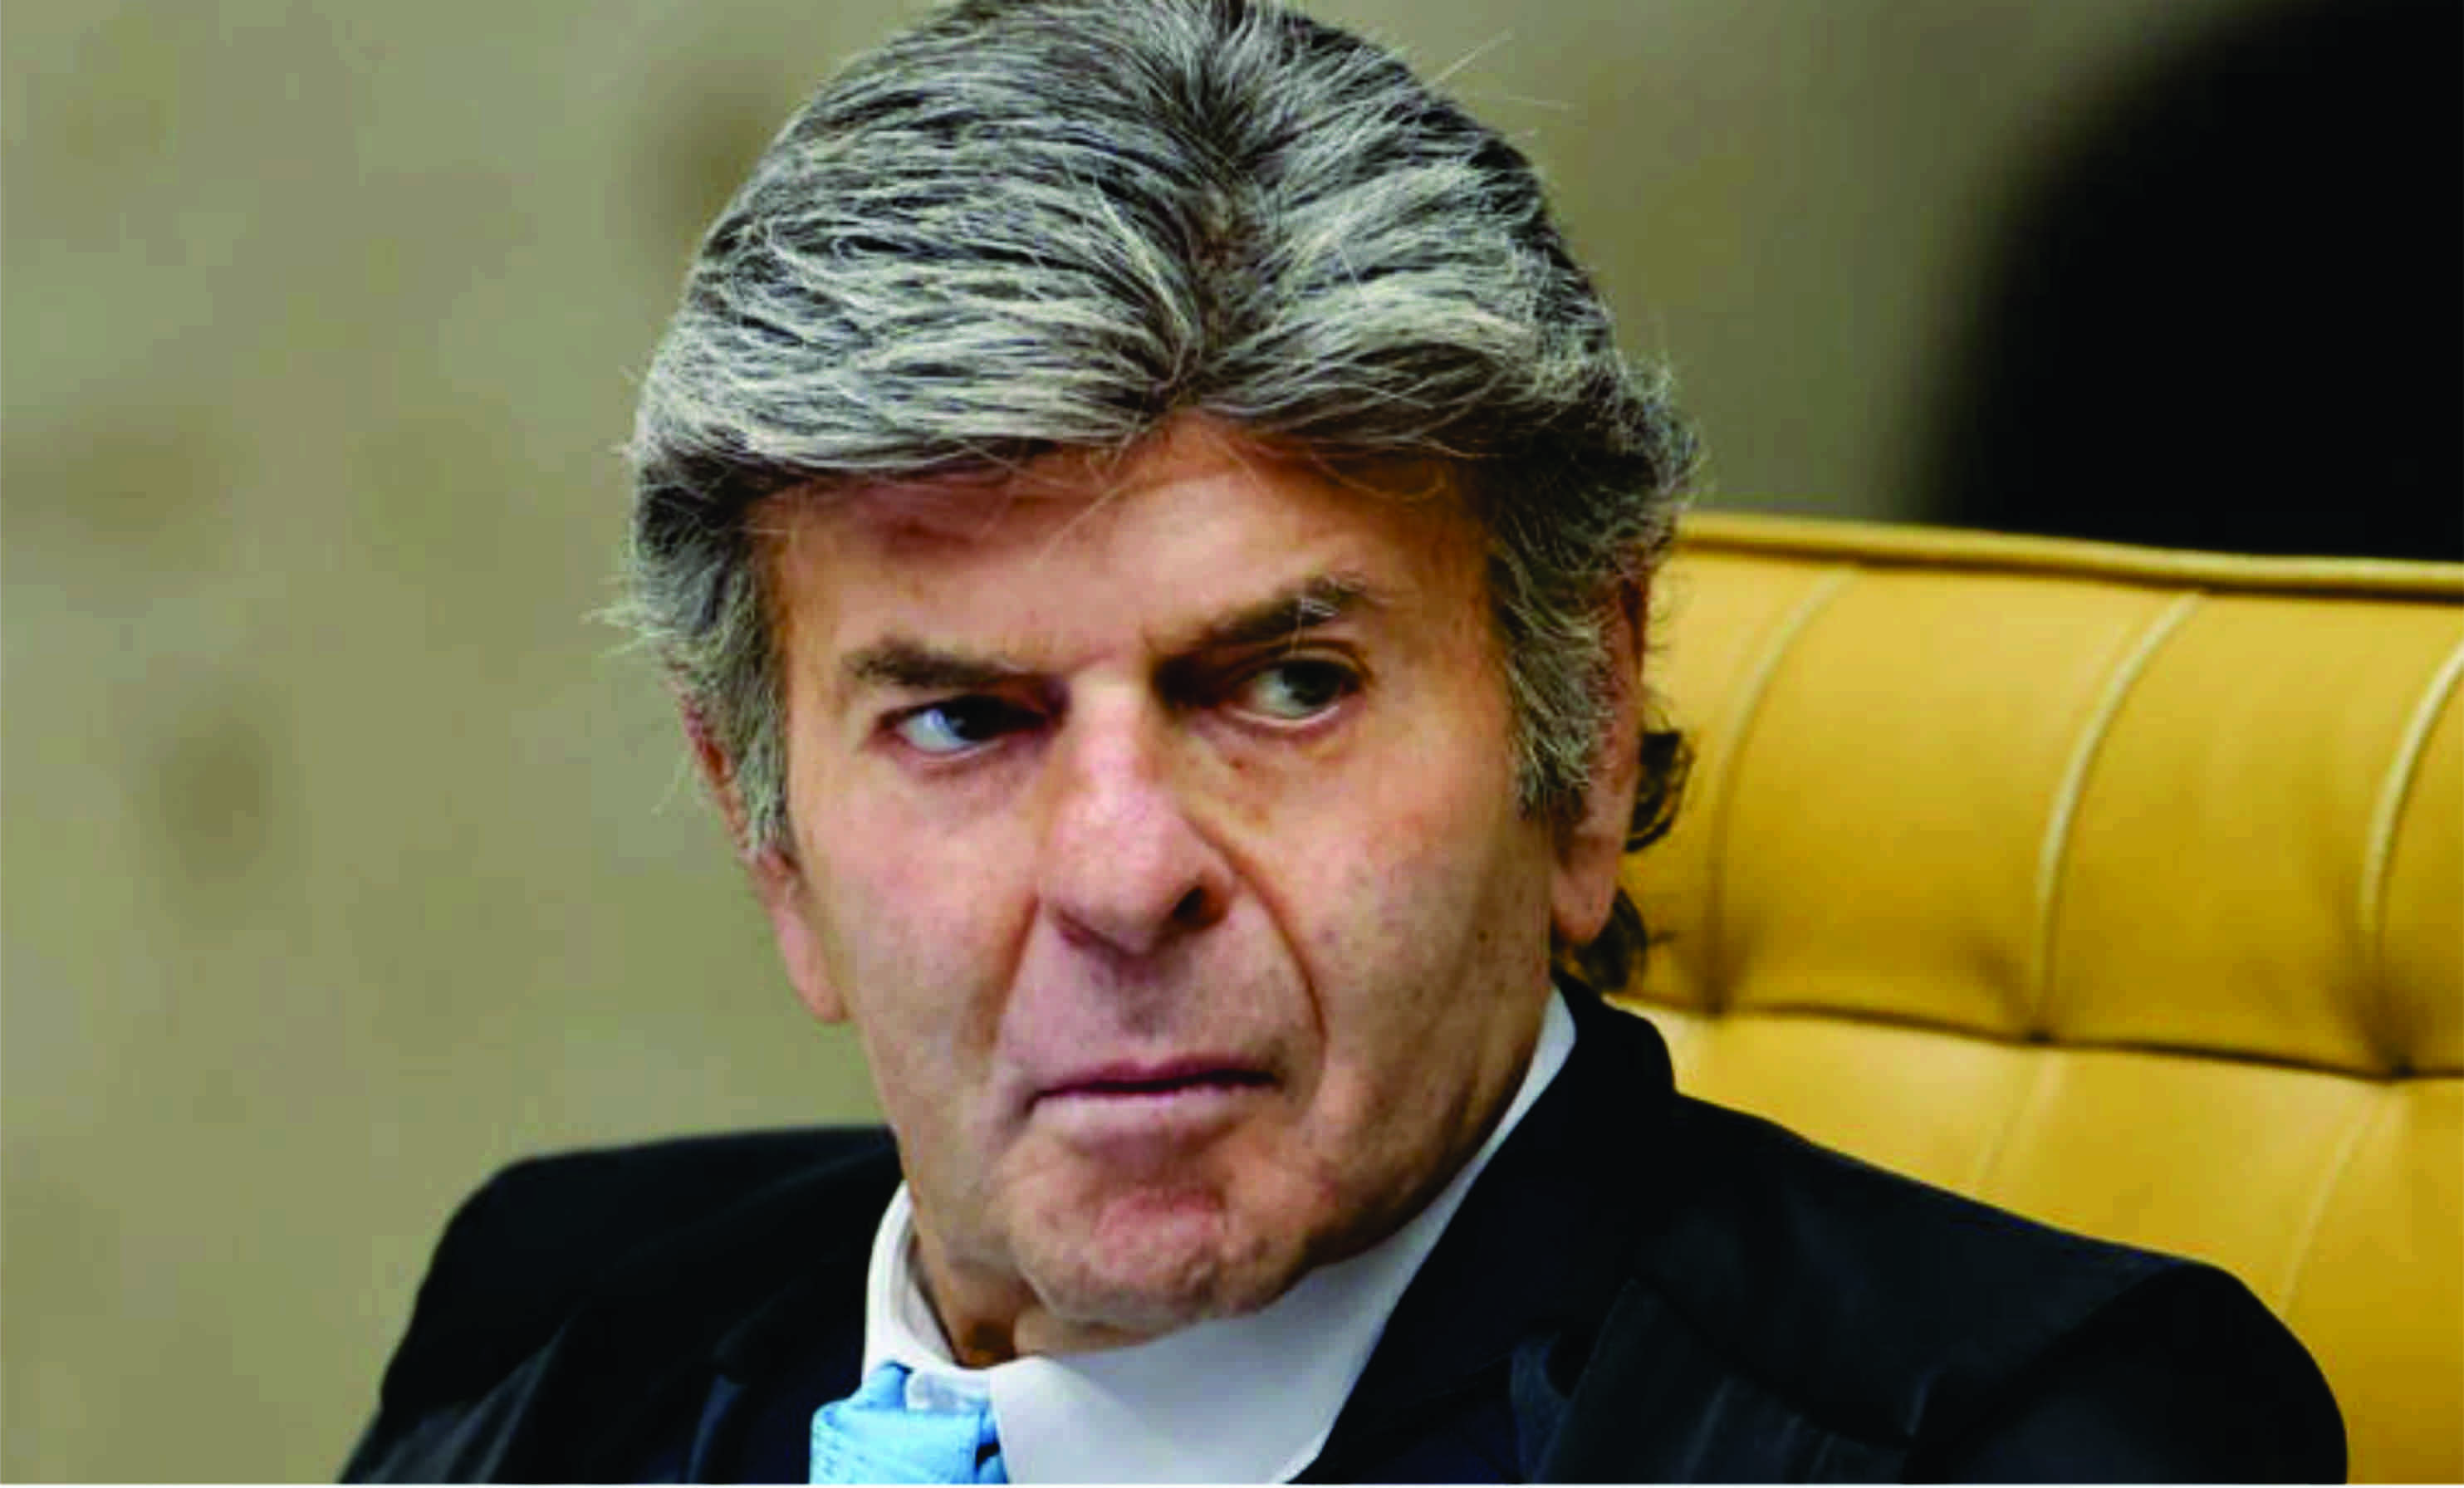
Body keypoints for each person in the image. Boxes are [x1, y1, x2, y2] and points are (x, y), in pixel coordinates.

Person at [344, 1, 2344, 1480]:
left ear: (1582, 727)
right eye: (961, 717)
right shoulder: (555, 1327)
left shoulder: (2037, 1440)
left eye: (1283, 684)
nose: (1125, 869)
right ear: (766, 830)